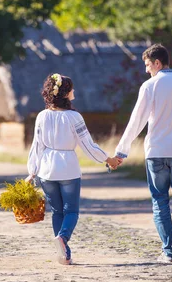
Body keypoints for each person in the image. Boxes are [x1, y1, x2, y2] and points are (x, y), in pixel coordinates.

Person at [114, 44, 172, 264]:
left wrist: (122, 150)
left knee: (160, 201)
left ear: (157, 62)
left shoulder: (150, 86)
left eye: (148, 65)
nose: (146, 70)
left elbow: (137, 121)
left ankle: (168, 250)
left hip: (156, 152)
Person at [26, 73, 121, 265]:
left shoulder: (42, 116)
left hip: (46, 170)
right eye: (72, 89)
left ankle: (64, 254)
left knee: (57, 212)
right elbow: (88, 146)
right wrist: (108, 159)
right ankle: (63, 238)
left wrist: (32, 171)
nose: (74, 92)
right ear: (66, 93)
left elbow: (37, 146)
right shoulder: (74, 117)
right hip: (68, 167)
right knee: (71, 212)